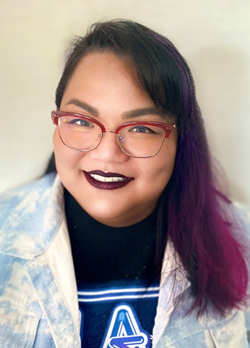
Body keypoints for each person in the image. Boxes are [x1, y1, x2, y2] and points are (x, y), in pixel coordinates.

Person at [0, 19, 250, 348]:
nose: (106, 154)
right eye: (80, 121)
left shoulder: (243, 240)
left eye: (141, 128)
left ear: (180, 140)